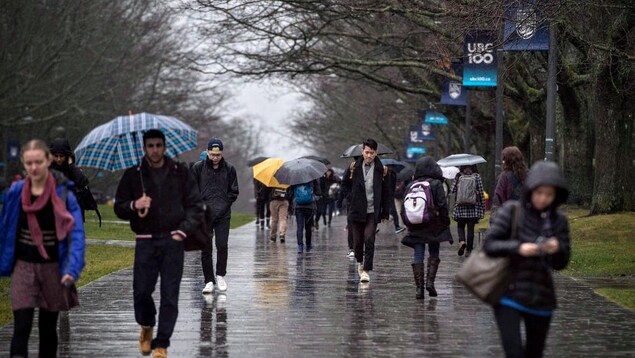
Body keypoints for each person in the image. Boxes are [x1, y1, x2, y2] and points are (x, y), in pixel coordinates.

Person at [115, 129, 202, 358]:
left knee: (170, 294)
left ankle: (162, 343)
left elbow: (195, 205)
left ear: (164, 146)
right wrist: (135, 204)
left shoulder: (180, 172)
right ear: (144, 148)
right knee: (141, 291)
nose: (154, 150)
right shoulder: (134, 175)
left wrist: (182, 231)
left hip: (173, 240)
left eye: (158, 145)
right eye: (150, 146)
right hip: (145, 241)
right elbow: (119, 206)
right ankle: (146, 325)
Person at [0, 139, 85, 357]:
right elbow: (5, 228)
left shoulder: (63, 193)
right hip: (24, 266)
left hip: (53, 267)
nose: (34, 168)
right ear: (23, 163)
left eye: (38, 161)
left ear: (48, 160)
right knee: (21, 326)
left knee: (48, 328)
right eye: (29, 163)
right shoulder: (16, 193)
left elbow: (76, 235)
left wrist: (72, 269)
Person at [484, 161, 570, 358]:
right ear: (530, 190)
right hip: (509, 294)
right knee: (513, 351)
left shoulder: (559, 221)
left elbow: (562, 262)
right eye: (539, 193)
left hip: (541, 297)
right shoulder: (512, 212)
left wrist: (557, 249)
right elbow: (490, 245)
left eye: (549, 194)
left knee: (534, 352)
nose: (543, 198)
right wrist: (518, 248)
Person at [191, 138, 239, 294]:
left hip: (223, 214)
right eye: (212, 154)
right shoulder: (198, 168)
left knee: (222, 245)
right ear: (208, 152)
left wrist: (225, 204)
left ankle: (220, 275)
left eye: (217, 155)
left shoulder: (230, 169)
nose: (215, 158)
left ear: (222, 153)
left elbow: (234, 191)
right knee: (205, 248)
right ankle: (209, 280)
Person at [400, 156, 452, 299]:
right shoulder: (436, 184)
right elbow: (442, 205)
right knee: (434, 252)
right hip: (433, 225)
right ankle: (430, 282)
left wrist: (408, 222)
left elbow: (404, 208)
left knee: (418, 253)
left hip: (416, 225)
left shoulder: (411, 184)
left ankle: (419, 289)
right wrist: (445, 222)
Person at [341, 138, 390, 283]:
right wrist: (352, 198)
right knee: (357, 242)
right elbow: (344, 185)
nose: (369, 156)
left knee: (369, 238)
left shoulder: (383, 170)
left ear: (376, 153)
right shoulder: (353, 168)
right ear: (362, 151)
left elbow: (387, 193)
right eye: (367, 152)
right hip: (356, 210)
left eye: (372, 153)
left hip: (372, 211)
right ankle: (360, 263)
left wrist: (385, 212)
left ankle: (366, 270)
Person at [48, 138, 95, 222]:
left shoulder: (72, 169)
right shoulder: (48, 170)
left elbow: (83, 182)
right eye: (56, 156)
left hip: (72, 209)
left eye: (61, 156)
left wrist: (71, 165)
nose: (58, 159)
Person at [451, 165, 485, 258]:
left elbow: (452, 190)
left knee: (460, 226)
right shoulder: (476, 176)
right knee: (471, 230)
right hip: (473, 208)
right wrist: (482, 207)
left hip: (460, 208)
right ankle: (469, 251)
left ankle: (462, 241)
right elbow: (481, 192)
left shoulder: (459, 175)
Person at [290, 179, 321, 253]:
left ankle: (300, 246)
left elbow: (290, 194)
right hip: (309, 206)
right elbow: (318, 192)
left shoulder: (295, 179)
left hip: (298, 206)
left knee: (299, 227)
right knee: (308, 227)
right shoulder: (312, 178)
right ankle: (308, 245)